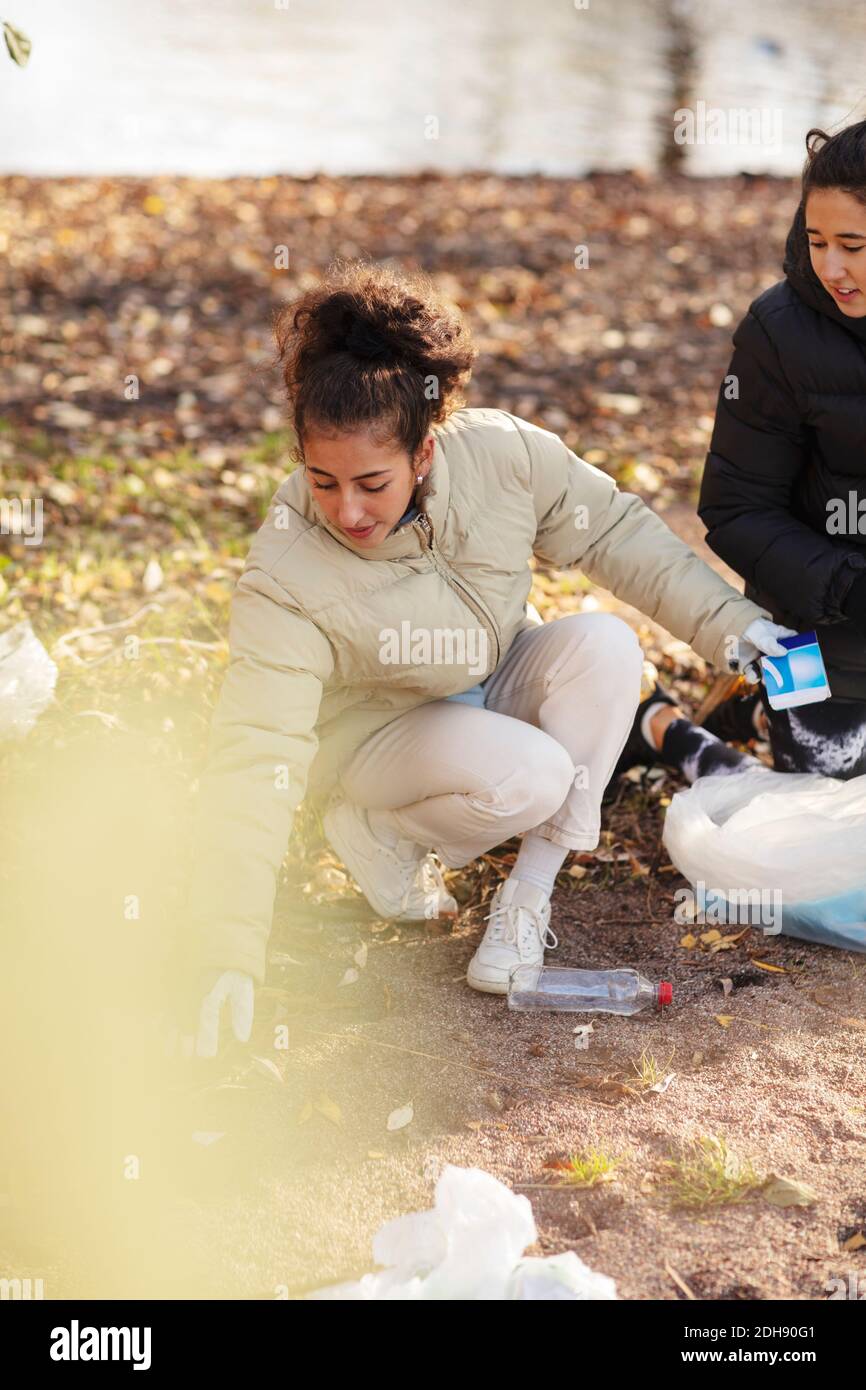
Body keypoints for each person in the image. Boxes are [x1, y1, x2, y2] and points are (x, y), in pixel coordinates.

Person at [176, 261, 791, 1057]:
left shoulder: (502, 456)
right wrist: (225, 949)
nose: (348, 510)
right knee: (532, 776)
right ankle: (380, 829)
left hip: (488, 681)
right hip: (377, 740)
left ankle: (525, 902)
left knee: (605, 645)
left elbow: (613, 532)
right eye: (322, 481)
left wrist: (733, 629)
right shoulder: (287, 572)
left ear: (424, 451)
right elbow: (255, 752)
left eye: (372, 482)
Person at [615, 121, 866, 787]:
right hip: (812, 633)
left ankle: (753, 710)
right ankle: (662, 726)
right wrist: (848, 585)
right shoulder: (776, 334)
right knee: (827, 837)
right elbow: (734, 507)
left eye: (853, 246)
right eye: (817, 242)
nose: (831, 268)